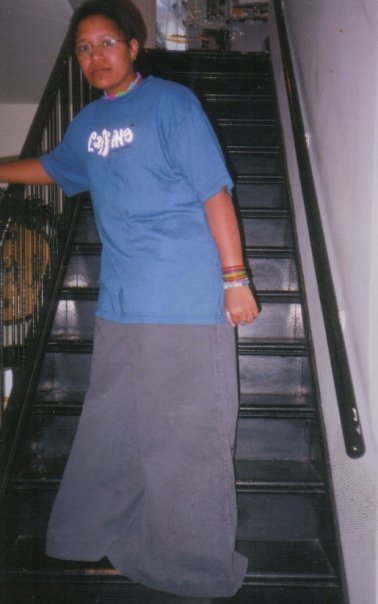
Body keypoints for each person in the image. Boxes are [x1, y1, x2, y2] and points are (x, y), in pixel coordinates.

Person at [0, 0, 259, 598]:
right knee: (113, 427)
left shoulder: (172, 104)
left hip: (186, 301)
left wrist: (235, 277)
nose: (95, 56)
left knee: (190, 436)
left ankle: (192, 567)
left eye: (106, 43)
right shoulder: (88, 125)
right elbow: (53, 166)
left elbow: (214, 193)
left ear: (133, 46)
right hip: (120, 304)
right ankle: (96, 537)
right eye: (84, 48)